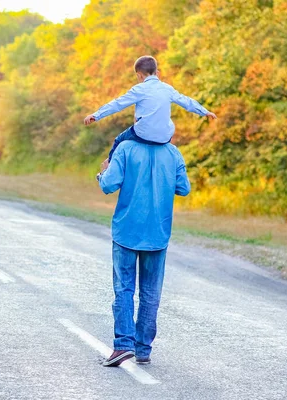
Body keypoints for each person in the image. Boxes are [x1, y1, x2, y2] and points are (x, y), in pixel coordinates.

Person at [96, 140, 191, 367]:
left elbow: (108, 185)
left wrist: (103, 172)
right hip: (158, 233)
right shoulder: (173, 152)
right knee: (151, 293)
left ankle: (123, 345)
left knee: (124, 289)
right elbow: (184, 188)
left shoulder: (126, 148)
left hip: (126, 232)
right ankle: (143, 350)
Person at [84, 55, 217, 163]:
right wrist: (205, 111)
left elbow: (117, 104)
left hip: (143, 135)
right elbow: (187, 101)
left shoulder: (139, 89)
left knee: (119, 140)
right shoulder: (167, 88)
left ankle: (109, 169)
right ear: (157, 73)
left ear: (140, 75)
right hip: (165, 137)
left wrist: (96, 115)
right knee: (166, 123)